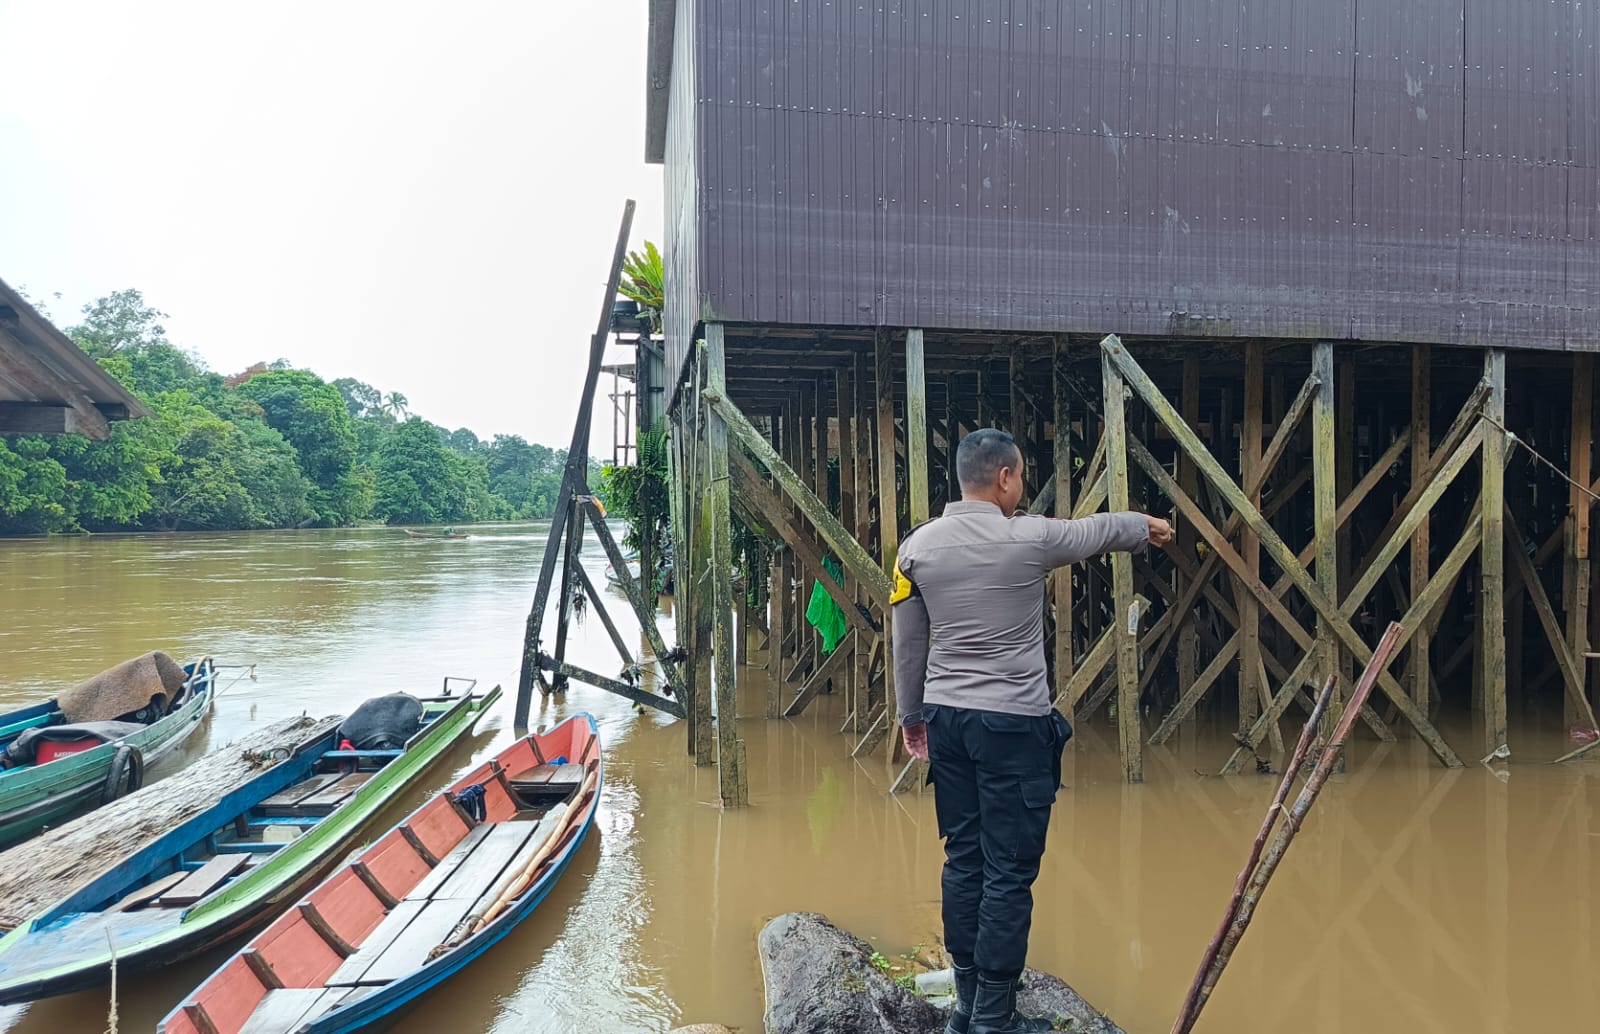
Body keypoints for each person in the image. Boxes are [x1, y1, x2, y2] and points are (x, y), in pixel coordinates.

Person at [892, 428, 1173, 1034]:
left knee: (963, 859)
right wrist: (1143, 525)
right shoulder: (1028, 537)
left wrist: (911, 717)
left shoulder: (915, 548)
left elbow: (908, 643)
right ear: (1005, 478)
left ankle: (965, 1007)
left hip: (946, 718)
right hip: (1012, 725)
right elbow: (1093, 532)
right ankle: (994, 1018)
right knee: (1009, 870)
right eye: (1020, 476)